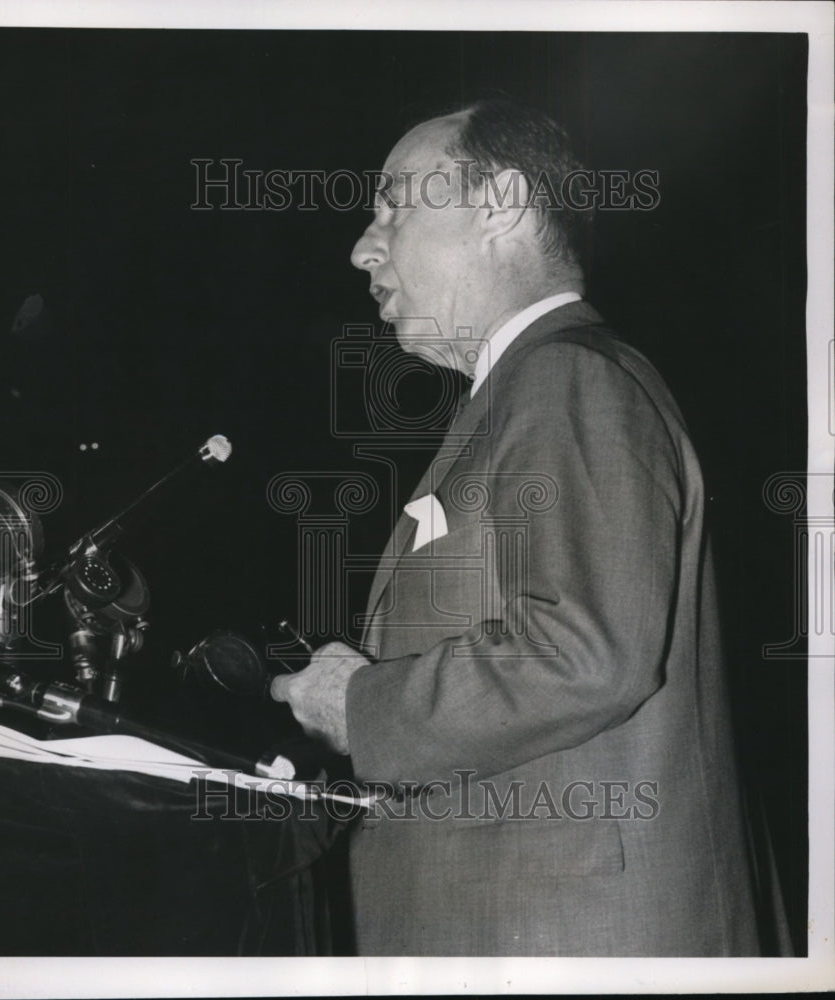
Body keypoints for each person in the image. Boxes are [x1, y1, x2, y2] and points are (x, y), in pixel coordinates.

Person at [271, 99, 776, 956]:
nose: (364, 246)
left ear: (501, 202)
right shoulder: (528, 389)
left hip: (567, 939)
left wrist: (360, 705)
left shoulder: (565, 377)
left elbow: (584, 652)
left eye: (394, 204)